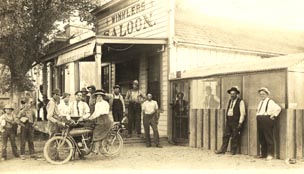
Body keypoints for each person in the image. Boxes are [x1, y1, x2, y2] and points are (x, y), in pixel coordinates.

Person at [215, 87, 246, 155]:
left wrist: (240, 123)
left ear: (237, 94)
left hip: (236, 121)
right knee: (226, 135)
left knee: (235, 136)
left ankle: (233, 151)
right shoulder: (229, 101)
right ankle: (223, 150)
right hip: (229, 121)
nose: (232, 95)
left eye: (234, 94)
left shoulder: (240, 101)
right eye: (231, 94)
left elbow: (242, 113)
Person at [82, 89, 112, 154]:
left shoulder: (105, 103)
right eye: (97, 96)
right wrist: (90, 118)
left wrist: (91, 118)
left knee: (96, 132)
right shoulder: (97, 104)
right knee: (89, 128)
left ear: (102, 97)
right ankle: (90, 146)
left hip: (105, 120)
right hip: (99, 119)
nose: (99, 98)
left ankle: (96, 149)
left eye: (100, 96)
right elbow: (95, 113)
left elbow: (99, 113)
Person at [256, 87, 281, 160]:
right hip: (260, 119)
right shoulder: (261, 102)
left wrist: (273, 115)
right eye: (260, 94)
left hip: (266, 120)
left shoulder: (270, 101)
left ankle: (270, 154)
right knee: (261, 137)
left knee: (268, 137)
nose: (262, 95)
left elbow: (278, 108)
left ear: (267, 94)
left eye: (263, 94)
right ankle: (263, 154)